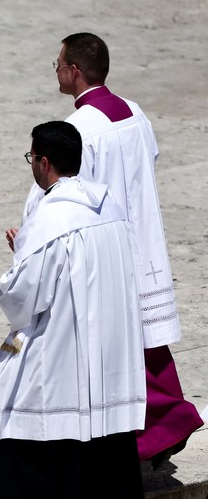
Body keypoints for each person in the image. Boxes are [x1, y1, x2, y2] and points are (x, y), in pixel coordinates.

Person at [0, 121, 146, 499]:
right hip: (109, 354)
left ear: (44, 162)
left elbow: (20, 299)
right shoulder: (110, 206)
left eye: (31, 157)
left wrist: (19, 259)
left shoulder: (50, 220)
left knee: (6, 431)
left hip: (62, 352)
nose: (32, 164)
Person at [50, 32, 203, 467]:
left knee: (113, 343)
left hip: (108, 246)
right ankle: (157, 427)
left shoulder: (79, 129)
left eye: (58, 63)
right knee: (144, 341)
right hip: (144, 238)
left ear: (74, 70)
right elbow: (148, 161)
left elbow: (75, 192)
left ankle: (156, 428)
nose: (56, 70)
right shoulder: (134, 113)